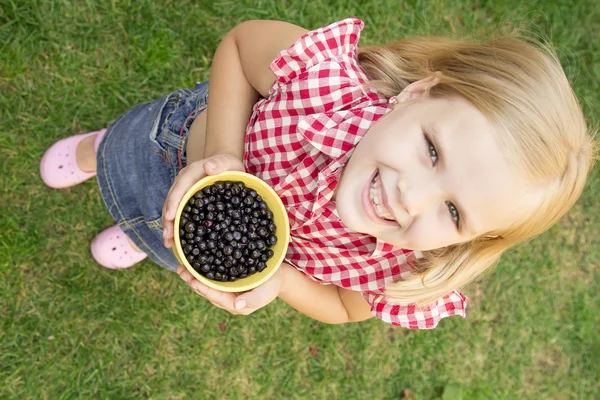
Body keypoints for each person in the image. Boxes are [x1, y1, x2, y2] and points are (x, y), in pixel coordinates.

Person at [39, 17, 596, 329]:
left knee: (163, 239)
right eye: (431, 150)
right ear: (416, 94)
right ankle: (94, 151)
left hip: (207, 243)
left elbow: (344, 308)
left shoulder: (403, 271)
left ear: (476, 239)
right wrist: (226, 156)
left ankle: (144, 237)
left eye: (453, 212)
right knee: (119, 152)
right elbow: (238, 46)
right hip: (171, 148)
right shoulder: (323, 85)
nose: (411, 196)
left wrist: (281, 279)